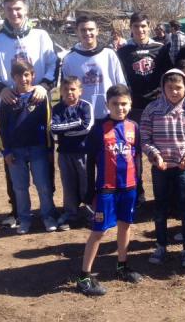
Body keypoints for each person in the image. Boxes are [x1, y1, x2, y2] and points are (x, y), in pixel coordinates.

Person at [0, 0, 59, 229]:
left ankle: (49, 212)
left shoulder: (41, 35)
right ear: (3, 11)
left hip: (37, 103)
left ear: (26, 10)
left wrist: (43, 86)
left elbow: (53, 65)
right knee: (14, 163)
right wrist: (0, 89)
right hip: (10, 105)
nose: (14, 13)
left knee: (43, 160)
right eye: (9, 9)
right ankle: (17, 211)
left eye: (18, 9)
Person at [76, 84, 142, 296]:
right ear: (107, 104)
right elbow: (91, 161)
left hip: (129, 187)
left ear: (130, 104)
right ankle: (84, 276)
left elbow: (137, 158)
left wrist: (139, 186)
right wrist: (90, 192)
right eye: (115, 104)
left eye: (124, 104)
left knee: (125, 225)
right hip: (106, 189)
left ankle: (122, 266)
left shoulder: (134, 127)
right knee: (99, 231)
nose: (120, 108)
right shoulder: (98, 129)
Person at [141, 69, 185, 268]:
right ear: (163, 88)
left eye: (179, 88)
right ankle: (161, 246)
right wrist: (154, 155)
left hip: (182, 167)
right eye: (170, 88)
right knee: (160, 207)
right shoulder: (151, 110)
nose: (174, 92)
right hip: (160, 167)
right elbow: (144, 138)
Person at [118, 12, 172, 204]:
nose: (140, 30)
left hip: (157, 107)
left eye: (143, 26)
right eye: (135, 27)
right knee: (134, 152)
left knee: (159, 149)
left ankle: (162, 194)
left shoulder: (161, 48)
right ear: (130, 28)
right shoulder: (123, 51)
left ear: (149, 26)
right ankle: (137, 191)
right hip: (134, 108)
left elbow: (168, 76)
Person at [0, 60, 56, 235]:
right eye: (18, 76)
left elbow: (48, 125)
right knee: (20, 187)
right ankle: (24, 219)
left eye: (26, 75)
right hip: (16, 151)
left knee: (43, 185)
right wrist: (6, 151)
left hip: (38, 148)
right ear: (13, 77)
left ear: (33, 75)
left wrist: (49, 149)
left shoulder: (40, 96)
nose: (23, 79)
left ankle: (48, 216)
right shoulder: (7, 99)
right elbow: (1, 128)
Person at [61, 15, 126, 119]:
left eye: (91, 29)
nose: (87, 33)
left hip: (110, 114)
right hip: (81, 117)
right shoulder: (69, 59)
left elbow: (122, 85)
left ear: (97, 31)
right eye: (83, 30)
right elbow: (65, 92)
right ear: (77, 32)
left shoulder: (109, 54)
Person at [50, 77, 94, 230]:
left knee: (86, 184)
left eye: (73, 89)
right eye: (66, 89)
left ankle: (91, 214)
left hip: (83, 153)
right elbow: (54, 128)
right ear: (61, 91)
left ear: (80, 91)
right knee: (68, 185)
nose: (69, 92)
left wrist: (66, 130)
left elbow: (87, 127)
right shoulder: (56, 109)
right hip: (65, 153)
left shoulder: (85, 106)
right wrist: (75, 124)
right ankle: (71, 213)